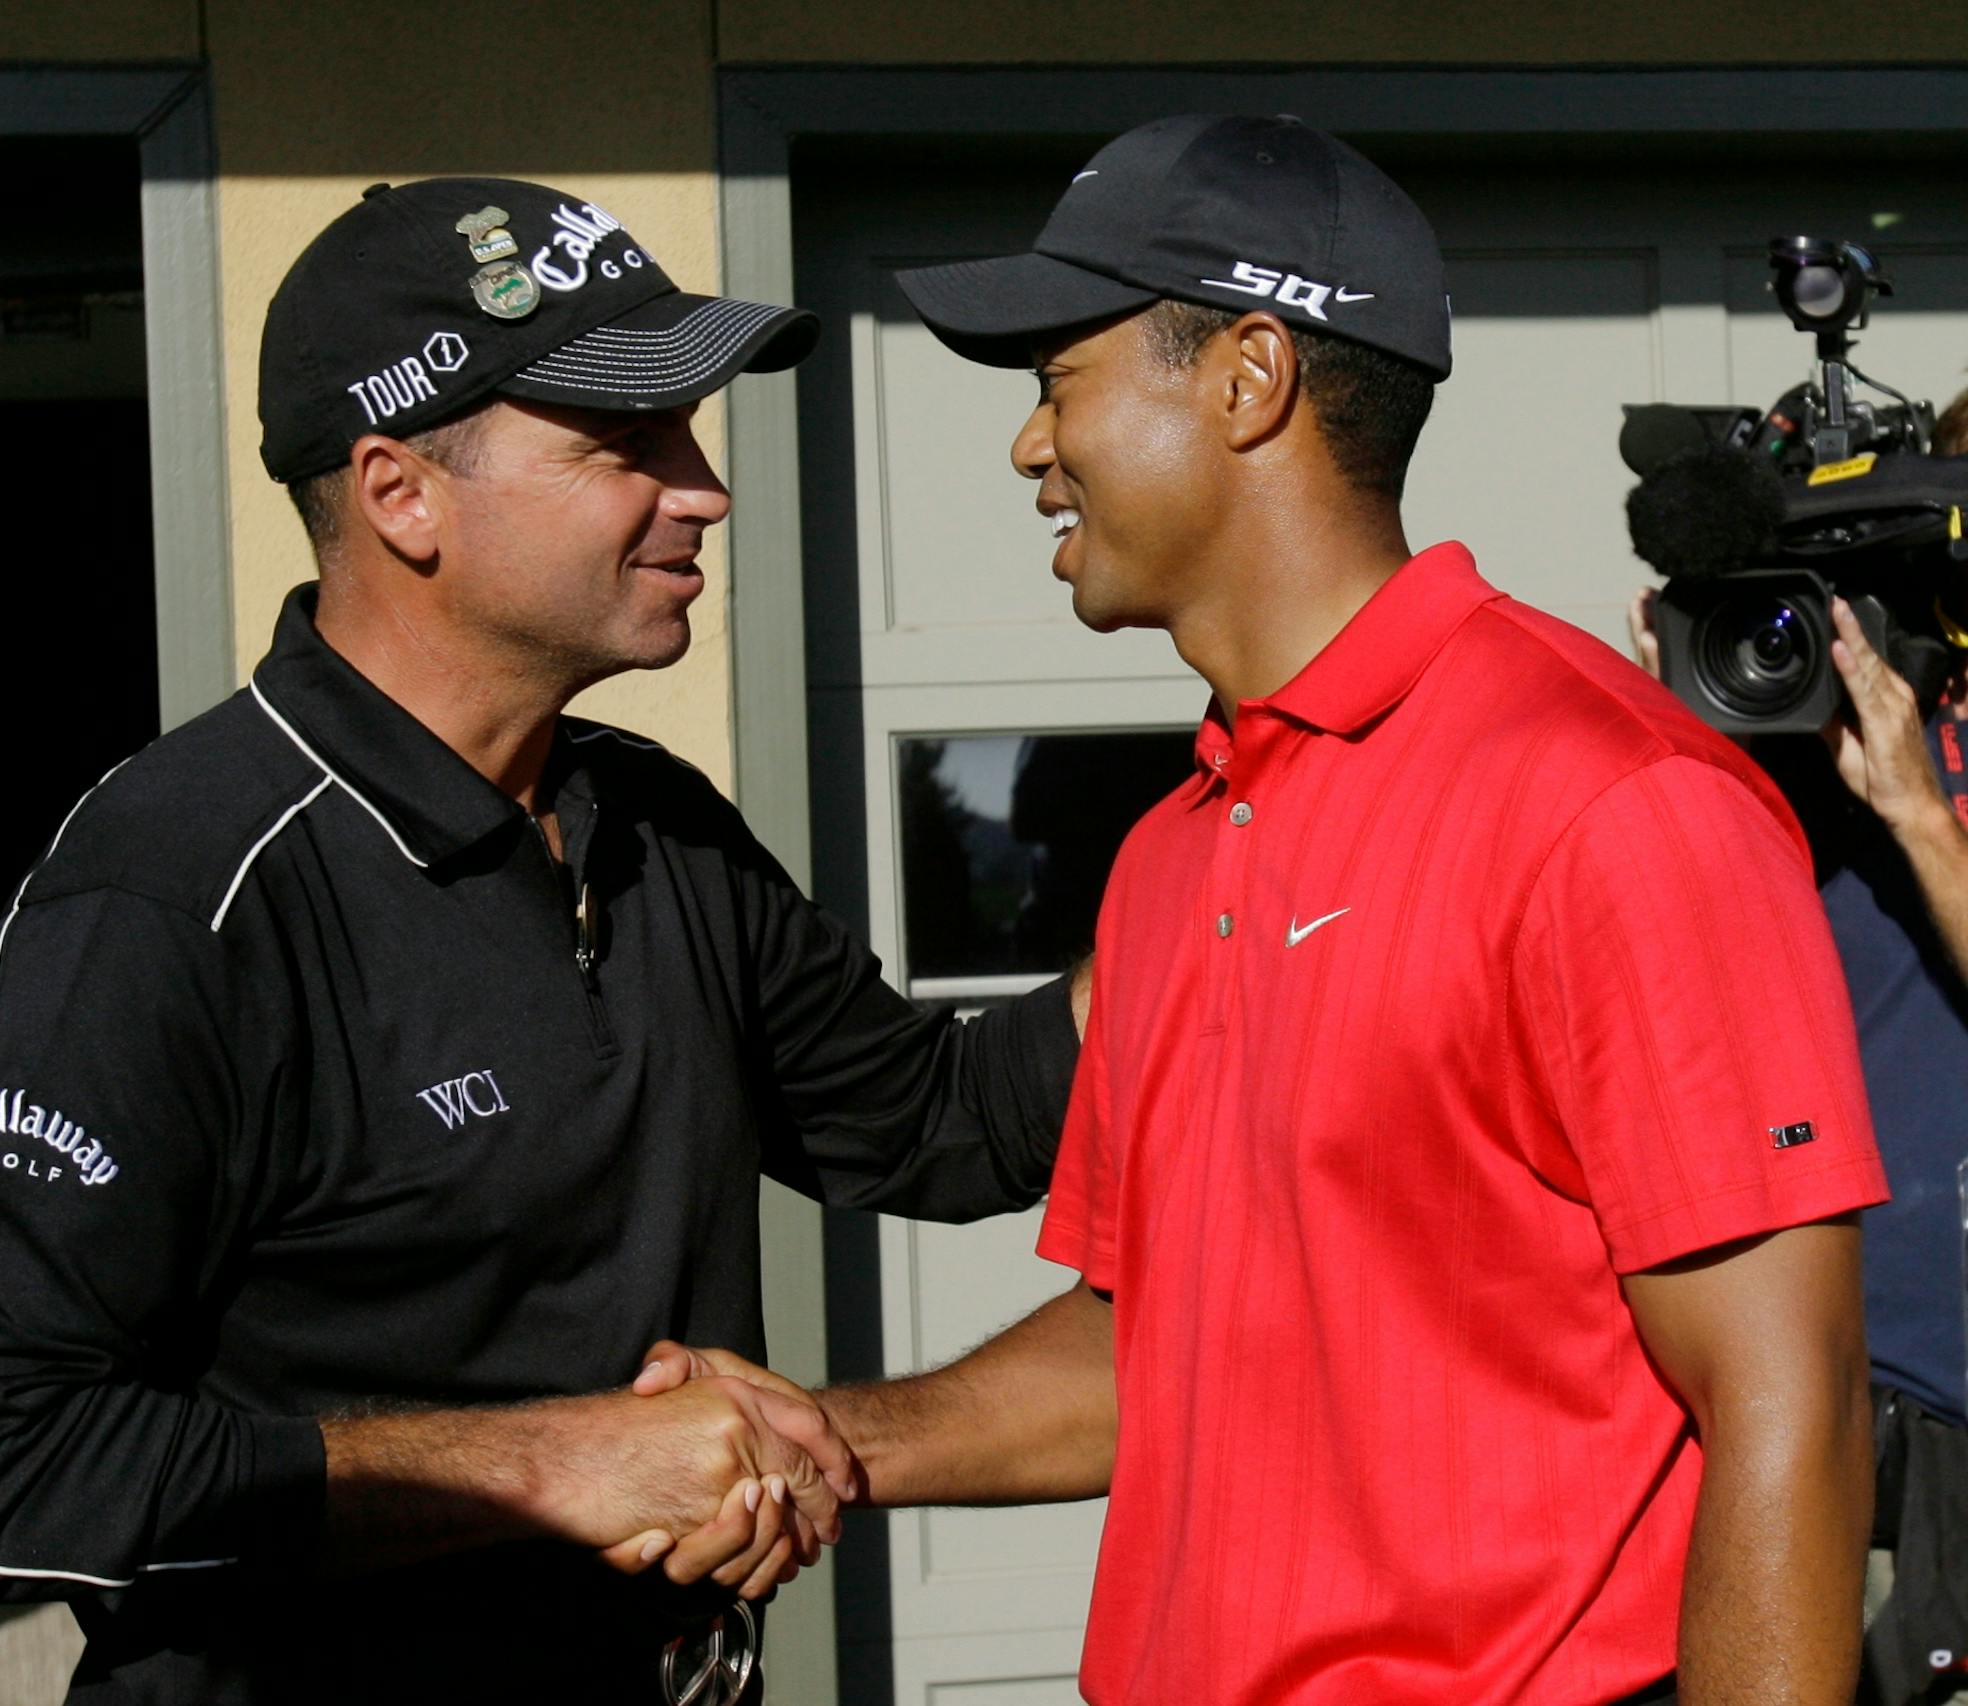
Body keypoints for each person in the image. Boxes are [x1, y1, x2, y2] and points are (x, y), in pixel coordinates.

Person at [639, 115, 1891, 1705]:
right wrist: (821, 1441)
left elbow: (1794, 1395)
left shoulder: (1610, 798)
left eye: (1057, 379)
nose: (1030, 446)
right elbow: (1153, 1349)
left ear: (1248, 376)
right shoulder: (1177, 850)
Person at [0, 177, 1085, 1705]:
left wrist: (1232, 887)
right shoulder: (177, 892)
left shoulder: (654, 823)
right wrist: (556, 1463)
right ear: (400, 493)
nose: (703, 488)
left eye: (690, 434)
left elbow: (939, 1123)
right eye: (626, 444)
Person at [1628, 385, 1968, 1706]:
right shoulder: (1777, 748)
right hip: (1842, 1419)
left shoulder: (1913, 773)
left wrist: (1924, 821)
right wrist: (1675, 727)